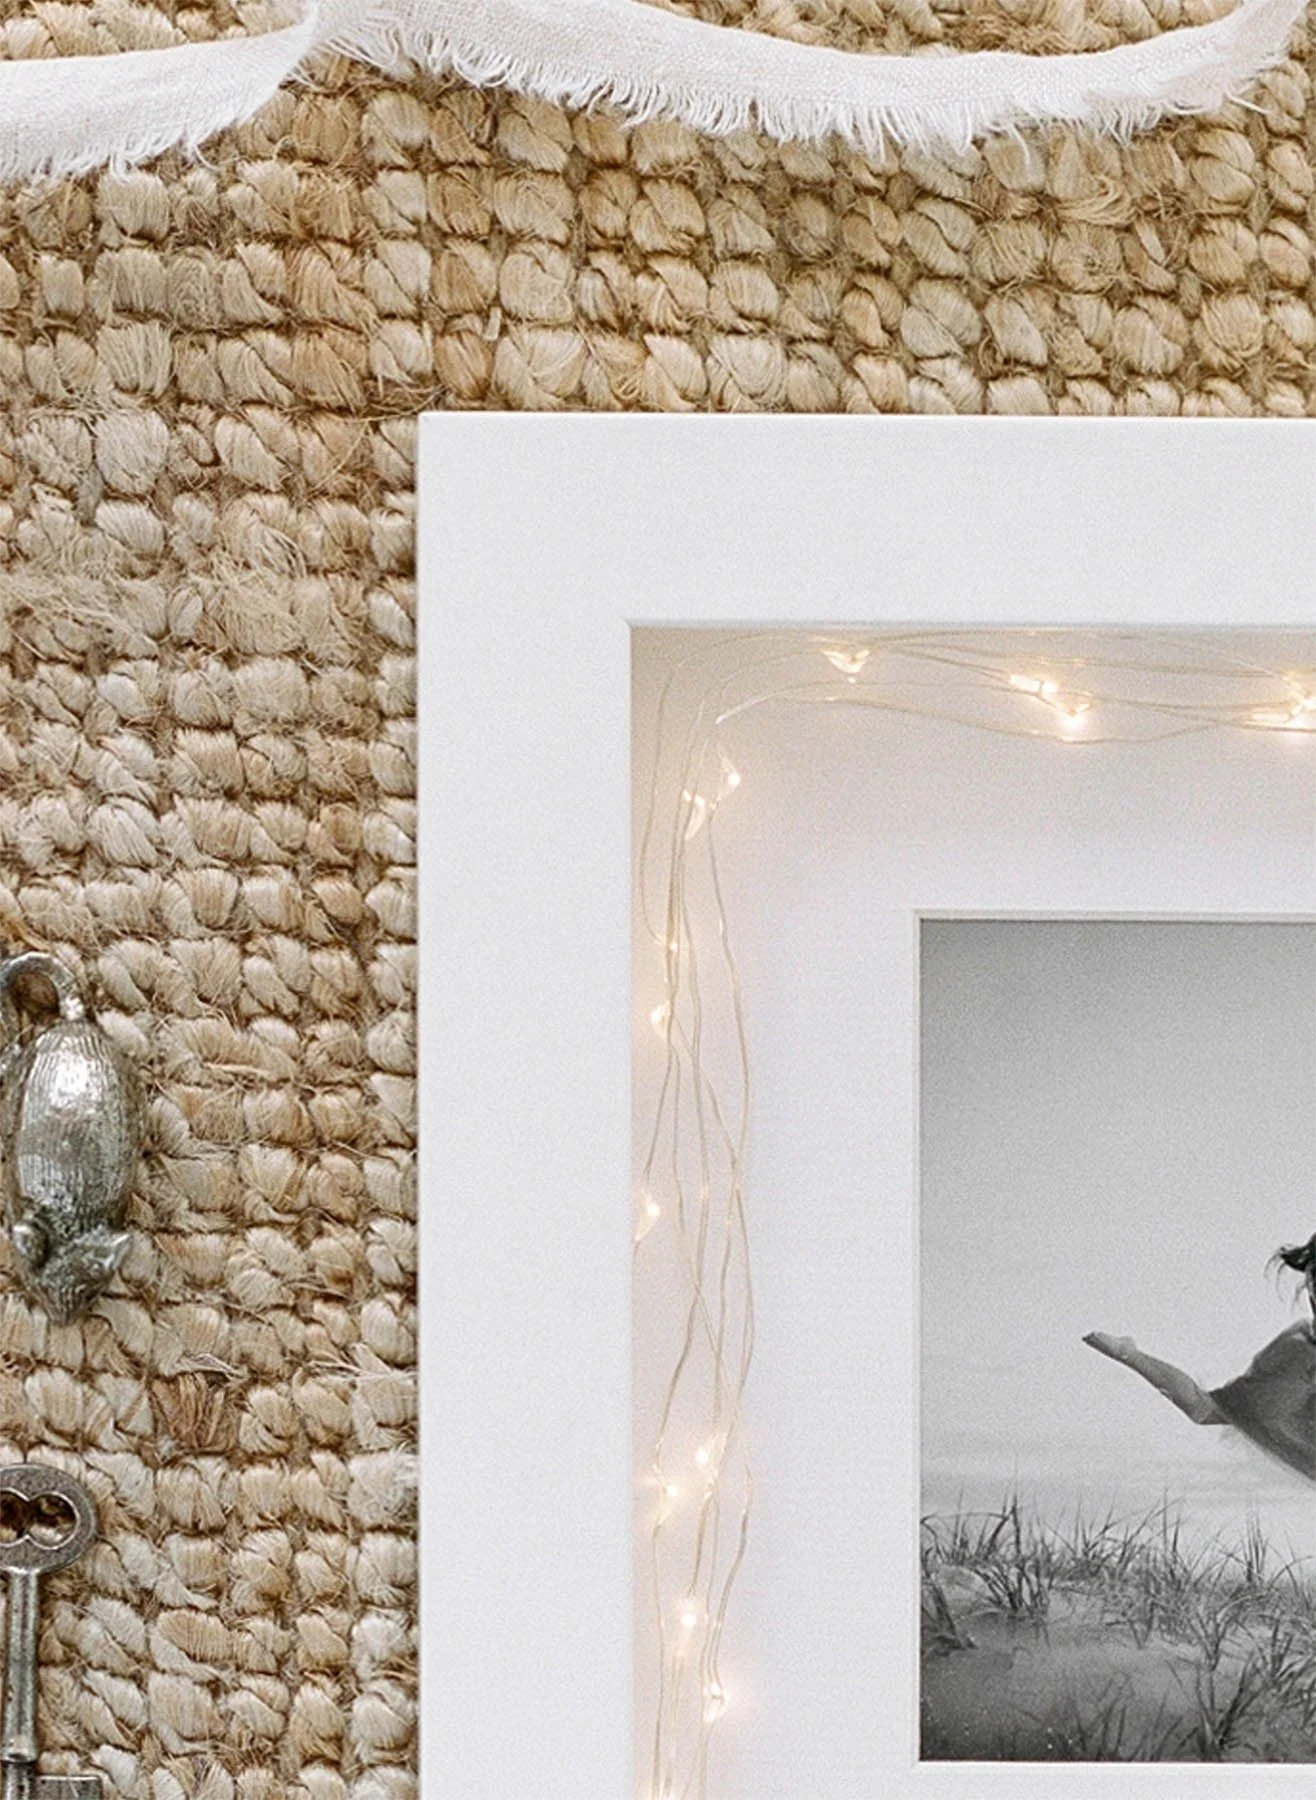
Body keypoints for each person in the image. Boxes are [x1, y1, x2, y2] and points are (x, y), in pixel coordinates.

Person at [1084, 1234, 1315, 1482]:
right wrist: (1129, 1355)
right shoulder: (1297, 1356)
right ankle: (1128, 1350)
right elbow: (1202, 1409)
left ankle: (1128, 1351)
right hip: (1302, 1373)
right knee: (1205, 1409)